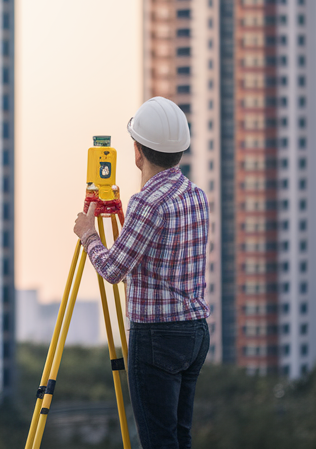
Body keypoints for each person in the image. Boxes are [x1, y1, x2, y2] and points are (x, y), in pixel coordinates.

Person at [72, 96, 210, 449]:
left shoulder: (147, 203)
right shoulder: (196, 195)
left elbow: (113, 269)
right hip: (194, 333)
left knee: (158, 441)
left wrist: (88, 232)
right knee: (179, 437)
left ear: (137, 151)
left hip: (157, 337)